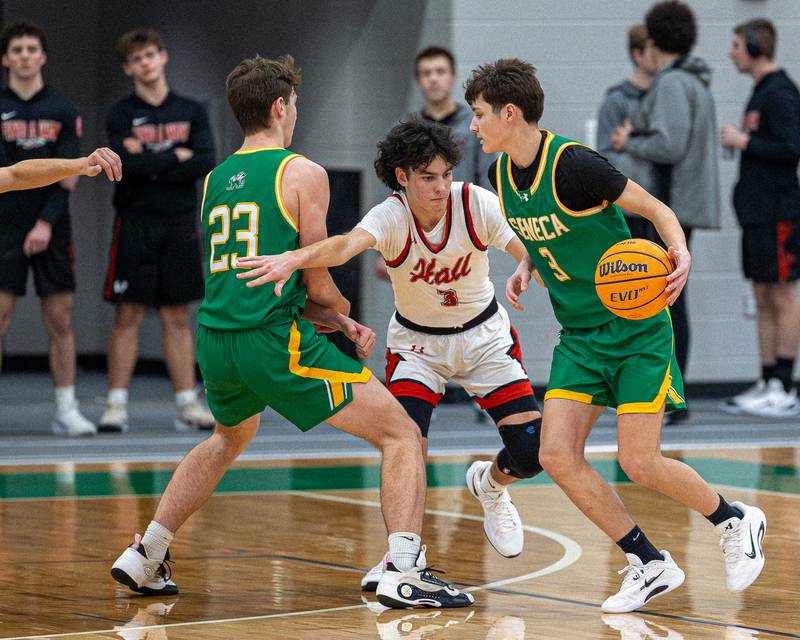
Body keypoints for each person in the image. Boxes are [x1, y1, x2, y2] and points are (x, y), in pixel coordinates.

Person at [110, 55, 473, 610]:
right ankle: (404, 570)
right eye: (296, 104)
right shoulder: (303, 172)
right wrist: (342, 308)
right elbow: (316, 276)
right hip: (271, 341)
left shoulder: (213, 180)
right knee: (401, 433)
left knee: (227, 438)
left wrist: (331, 320)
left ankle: (147, 553)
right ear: (281, 107)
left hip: (217, 338)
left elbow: (253, 280)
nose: (296, 112)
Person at [465, 57, 766, 613]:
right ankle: (648, 562)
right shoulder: (499, 175)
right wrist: (528, 264)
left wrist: (680, 252)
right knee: (556, 454)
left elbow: (655, 208)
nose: (473, 125)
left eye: (480, 114)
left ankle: (735, 521)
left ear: (509, 113)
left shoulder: (576, 165)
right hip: (580, 336)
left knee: (640, 460)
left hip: (636, 332)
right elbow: (547, 235)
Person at [236, 117, 543, 590]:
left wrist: (526, 264)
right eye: (428, 177)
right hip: (418, 348)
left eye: (446, 174)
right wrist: (293, 258)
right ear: (402, 176)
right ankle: (403, 557)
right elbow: (344, 246)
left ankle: (490, 484)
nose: (440, 187)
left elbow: (524, 246)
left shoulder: (474, 202)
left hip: (484, 338)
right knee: (407, 446)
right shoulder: (391, 215)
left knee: (531, 453)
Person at [611, 1, 721, 425]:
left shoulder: (673, 82)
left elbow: (669, 145)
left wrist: (629, 141)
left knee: (665, 300)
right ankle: (670, 394)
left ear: (654, 42)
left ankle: (672, 396)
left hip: (673, 204)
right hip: (682, 202)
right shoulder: (693, 79)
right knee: (670, 298)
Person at [100, 28, 216, 433]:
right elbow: (125, 167)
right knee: (127, 313)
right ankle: (116, 405)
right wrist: (174, 156)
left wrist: (149, 157)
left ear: (163, 57)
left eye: (150, 55)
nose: (145, 63)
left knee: (177, 315)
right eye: (137, 58)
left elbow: (205, 160)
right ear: (127, 67)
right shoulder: (120, 113)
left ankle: (186, 403)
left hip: (179, 223)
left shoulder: (191, 110)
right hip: (134, 222)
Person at [0, 21, 96, 437]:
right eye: (16, 49)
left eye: (31, 49)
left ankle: (66, 408)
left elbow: (70, 174)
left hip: (52, 224)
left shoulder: (63, 109)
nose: (24, 55)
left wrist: (43, 223)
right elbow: (9, 175)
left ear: (42, 57)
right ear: (6, 59)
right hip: (4, 224)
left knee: (60, 317)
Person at [720, 18, 800, 417]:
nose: (731, 53)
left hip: (778, 210)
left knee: (783, 294)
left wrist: (743, 141)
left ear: (756, 45)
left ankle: (785, 385)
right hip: (756, 212)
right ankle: (768, 379)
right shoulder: (761, 91)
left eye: (736, 45)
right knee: (762, 294)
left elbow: (791, 148)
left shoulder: (781, 92)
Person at [596, 24, 657, 239]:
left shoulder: (666, 98)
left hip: (663, 201)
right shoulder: (616, 101)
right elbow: (605, 157)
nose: (659, 55)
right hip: (630, 207)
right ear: (637, 55)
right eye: (653, 50)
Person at [415, 46, 494, 188]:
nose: (433, 79)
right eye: (426, 73)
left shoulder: (476, 124)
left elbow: (488, 177)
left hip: (467, 201)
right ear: (418, 80)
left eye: (440, 72)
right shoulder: (408, 130)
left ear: (453, 76)